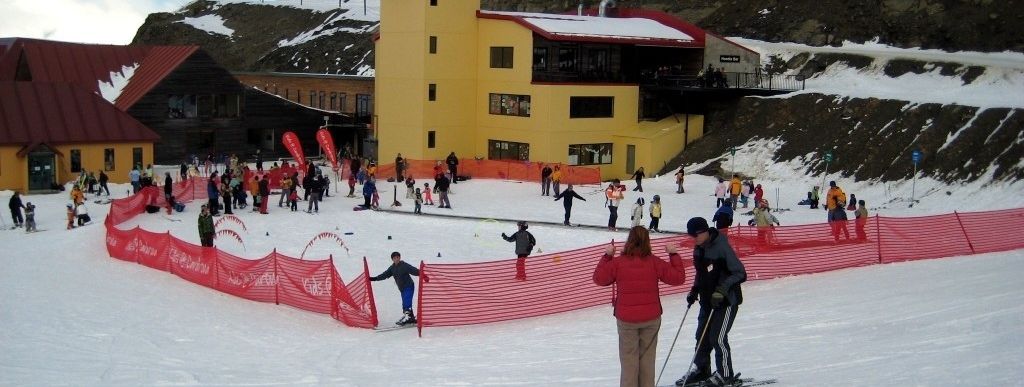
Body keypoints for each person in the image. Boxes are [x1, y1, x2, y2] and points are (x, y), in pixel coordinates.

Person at [593, 226, 687, 387]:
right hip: (651, 318)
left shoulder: (617, 263)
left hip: (627, 319)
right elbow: (678, 278)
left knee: (629, 361)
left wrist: (607, 256)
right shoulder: (654, 262)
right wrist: (673, 254)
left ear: (629, 240)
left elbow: (599, 278)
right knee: (647, 361)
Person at [676, 217, 747, 387]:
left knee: (718, 338)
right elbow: (701, 273)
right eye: (692, 236)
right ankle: (702, 369)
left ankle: (725, 375)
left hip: (726, 301)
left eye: (697, 235)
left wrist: (722, 290)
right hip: (707, 301)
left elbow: (740, 273)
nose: (695, 239)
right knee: (701, 336)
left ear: (705, 231)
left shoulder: (721, 246)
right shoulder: (698, 248)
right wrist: (694, 290)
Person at [370, 252, 427, 326]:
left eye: (397, 257)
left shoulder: (404, 265)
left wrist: (423, 275)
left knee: (407, 302)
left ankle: (408, 317)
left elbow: (414, 270)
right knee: (405, 303)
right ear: (392, 259)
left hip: (409, 286)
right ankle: (411, 318)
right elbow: (385, 274)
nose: (396, 259)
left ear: (400, 258)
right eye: (394, 258)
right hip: (402, 288)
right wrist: (375, 278)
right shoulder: (392, 268)